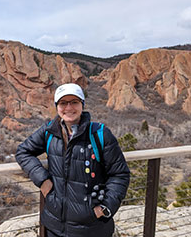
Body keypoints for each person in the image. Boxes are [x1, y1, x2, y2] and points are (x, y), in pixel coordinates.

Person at [16, 83, 130, 237]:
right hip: (54, 225)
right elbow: (23, 151)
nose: (68, 108)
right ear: (57, 107)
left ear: (82, 105)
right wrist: (43, 180)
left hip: (91, 228)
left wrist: (105, 207)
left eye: (74, 102)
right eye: (63, 103)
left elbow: (119, 174)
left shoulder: (99, 134)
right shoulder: (50, 130)